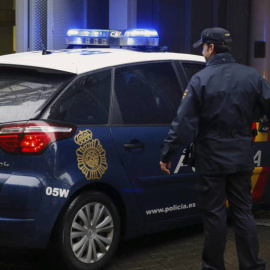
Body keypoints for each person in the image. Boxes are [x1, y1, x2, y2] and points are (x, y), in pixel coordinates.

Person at [160, 27, 270, 270]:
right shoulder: (252, 76)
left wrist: (168, 153)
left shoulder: (200, 79)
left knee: (215, 216)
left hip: (211, 159)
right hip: (241, 156)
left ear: (210, 48)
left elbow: (183, 123)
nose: (202, 52)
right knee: (243, 213)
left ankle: (213, 267)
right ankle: (252, 266)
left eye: (203, 47)